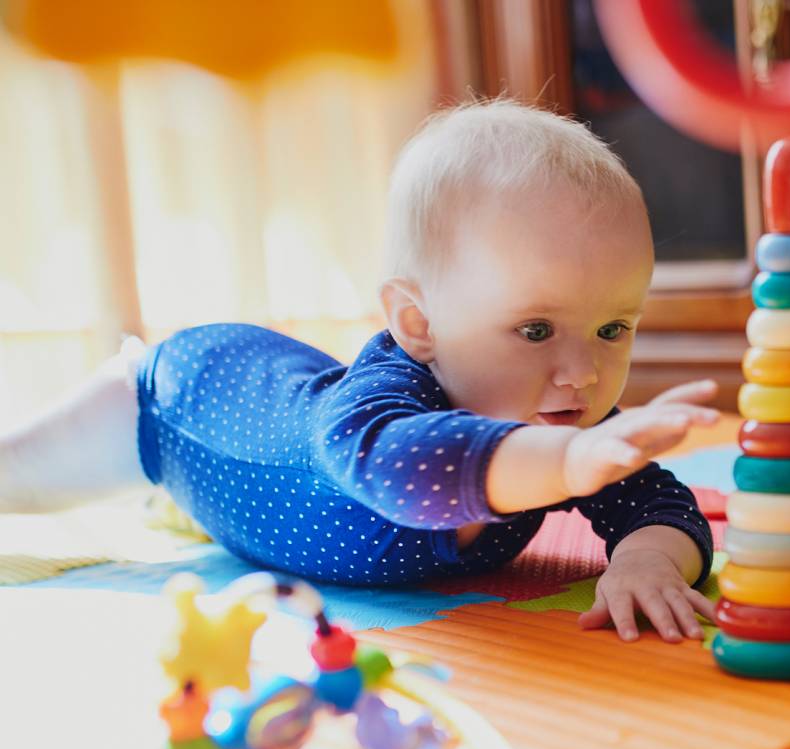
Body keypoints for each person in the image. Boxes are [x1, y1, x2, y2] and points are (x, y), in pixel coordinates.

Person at [0, 98, 720, 643]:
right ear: (418, 325)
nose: (581, 372)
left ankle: (169, 510)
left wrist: (646, 561)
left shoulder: (565, 428)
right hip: (178, 398)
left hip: (281, 398)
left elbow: (663, 507)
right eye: (535, 329)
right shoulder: (382, 416)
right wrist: (570, 462)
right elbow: (405, 473)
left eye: (612, 328)